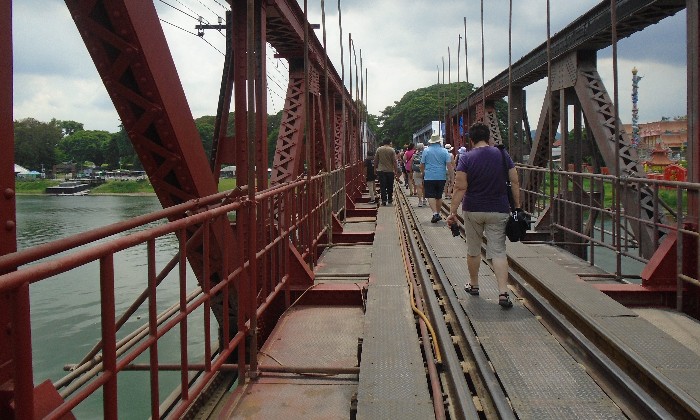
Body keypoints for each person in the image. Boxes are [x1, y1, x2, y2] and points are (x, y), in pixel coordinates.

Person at [446, 123, 521, 309]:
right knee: (498, 251)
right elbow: (514, 180)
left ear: (470, 139)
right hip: (499, 209)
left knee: (473, 250)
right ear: (489, 137)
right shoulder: (503, 155)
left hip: (473, 209)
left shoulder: (466, 157)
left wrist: (452, 212)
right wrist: (517, 207)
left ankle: (474, 285)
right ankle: (503, 293)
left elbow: (460, 187)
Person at [420, 134, 453, 223]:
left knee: (430, 195)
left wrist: (423, 173)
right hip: (441, 176)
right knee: (439, 196)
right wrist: (452, 177)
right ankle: (437, 213)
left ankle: (435, 214)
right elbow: (449, 165)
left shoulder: (426, 151)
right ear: (439, 141)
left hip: (429, 176)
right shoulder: (445, 151)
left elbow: (422, 164)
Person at [374, 139, 399, 206]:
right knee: (390, 185)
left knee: (383, 186)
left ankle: (384, 200)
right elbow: (394, 161)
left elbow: (376, 160)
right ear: (389, 143)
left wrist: (375, 169)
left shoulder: (379, 149)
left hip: (381, 170)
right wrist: (396, 170)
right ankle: (390, 199)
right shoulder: (391, 150)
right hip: (390, 170)